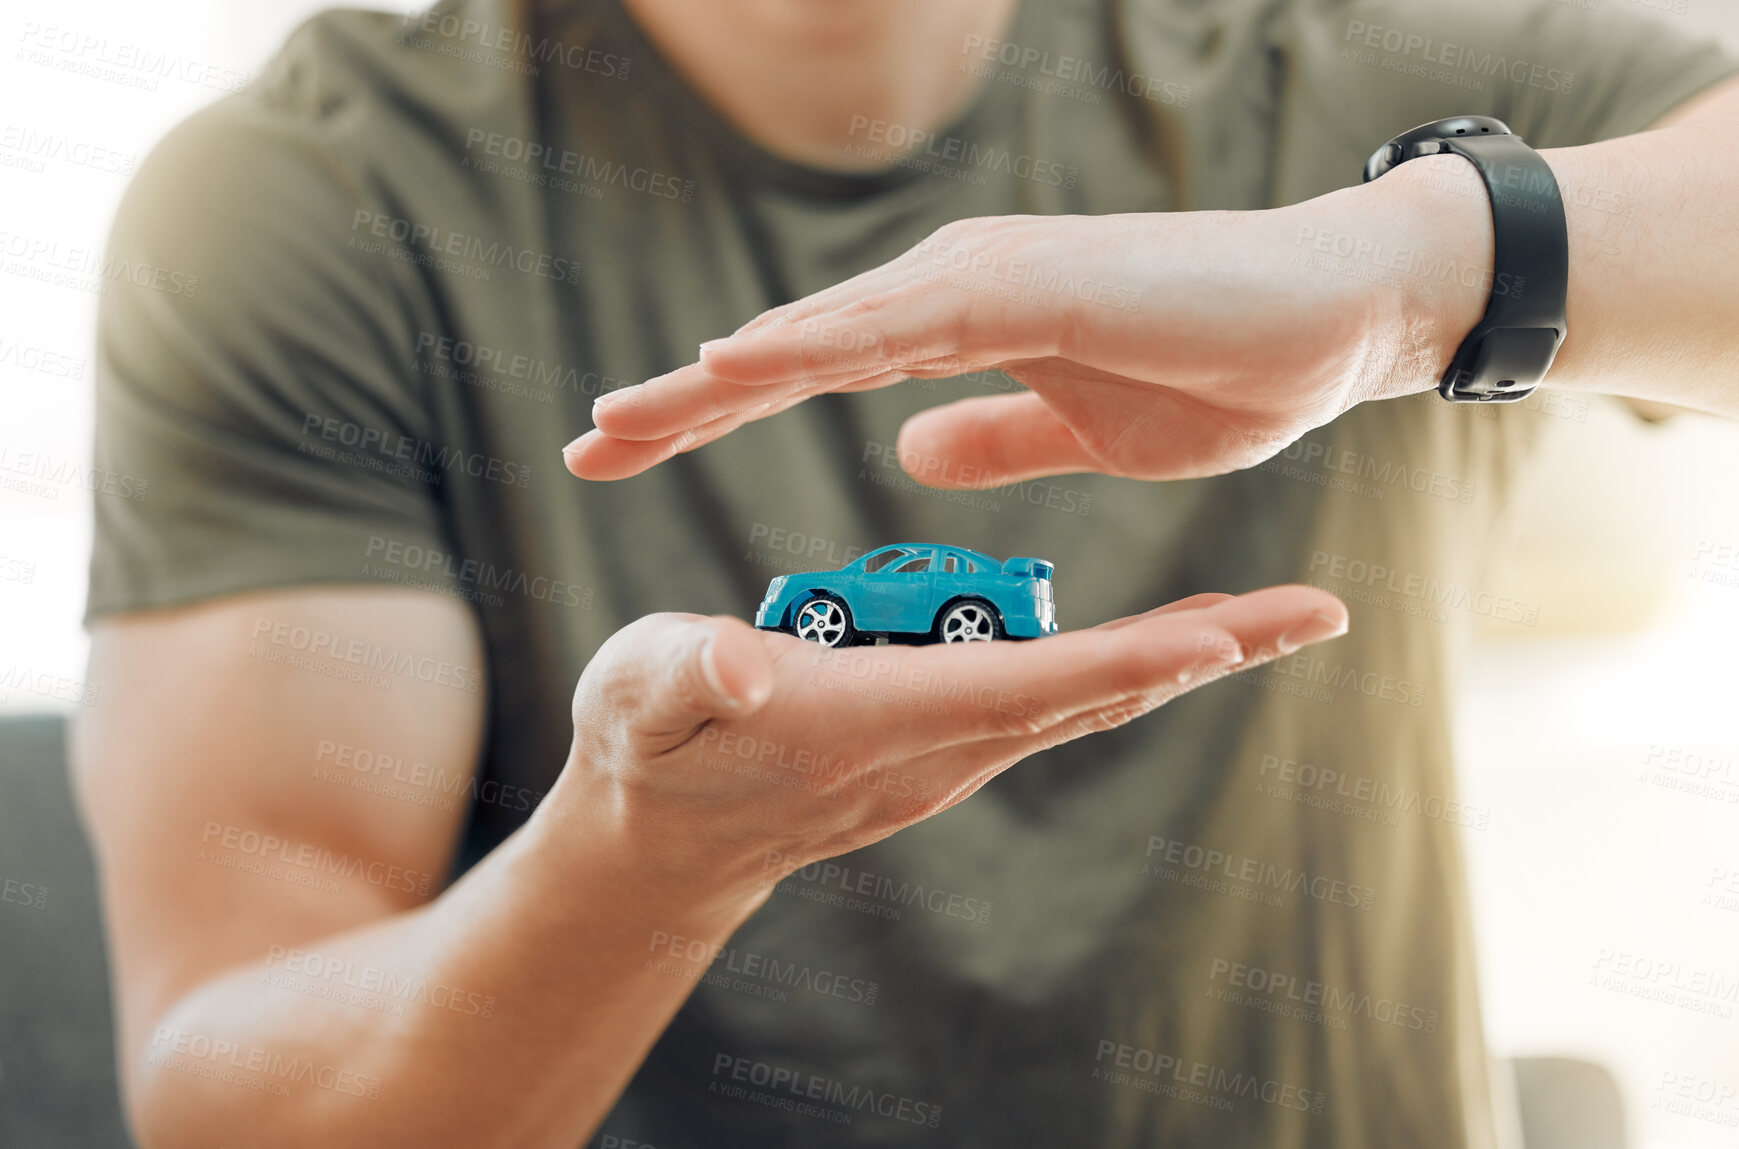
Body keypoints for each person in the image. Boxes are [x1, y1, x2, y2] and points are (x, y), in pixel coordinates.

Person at [72, 0, 1736, 1146]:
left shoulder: (1358, 49)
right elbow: (242, 1098)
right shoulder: (311, 198)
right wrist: (637, 859)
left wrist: (1416, 269)